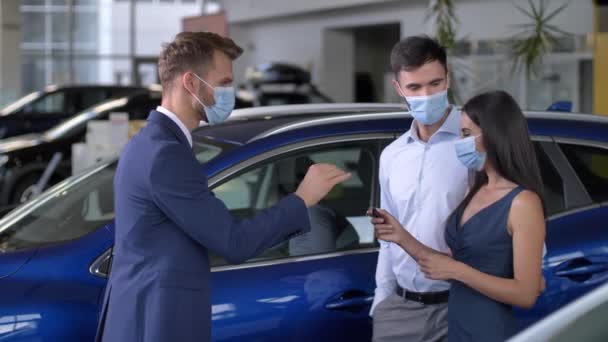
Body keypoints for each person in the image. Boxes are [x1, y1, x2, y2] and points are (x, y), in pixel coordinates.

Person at [94, 32, 351, 342]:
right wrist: (302, 198)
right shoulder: (166, 154)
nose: (231, 91)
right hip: (156, 323)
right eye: (225, 82)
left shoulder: (149, 143)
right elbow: (234, 242)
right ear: (191, 83)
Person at [373, 90, 546, 342]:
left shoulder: (523, 203)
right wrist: (400, 236)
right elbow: (450, 262)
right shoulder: (475, 187)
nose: (459, 142)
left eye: (465, 134)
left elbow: (526, 294)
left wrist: (457, 271)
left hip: (488, 330)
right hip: (457, 325)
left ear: (494, 135)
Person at [370, 35, 469, 342]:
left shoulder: (475, 144)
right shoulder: (392, 156)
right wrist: (382, 301)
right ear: (399, 89)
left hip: (461, 306)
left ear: (448, 79)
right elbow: (388, 238)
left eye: (435, 83)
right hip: (399, 310)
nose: (427, 94)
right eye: (415, 87)